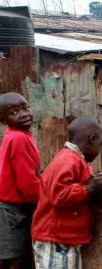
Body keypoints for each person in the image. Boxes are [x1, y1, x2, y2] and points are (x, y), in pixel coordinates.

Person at [32, 117, 102, 269]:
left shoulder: (75, 160)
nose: (99, 150)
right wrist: (88, 189)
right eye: (100, 144)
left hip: (64, 238)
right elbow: (59, 195)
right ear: (92, 139)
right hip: (56, 240)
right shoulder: (68, 160)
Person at [0, 92, 41, 269]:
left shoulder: (19, 135)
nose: (23, 114)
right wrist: (47, 199)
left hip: (12, 206)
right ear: (3, 120)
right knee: (14, 258)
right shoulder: (17, 139)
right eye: (14, 112)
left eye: (25, 108)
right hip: (12, 210)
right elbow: (26, 185)